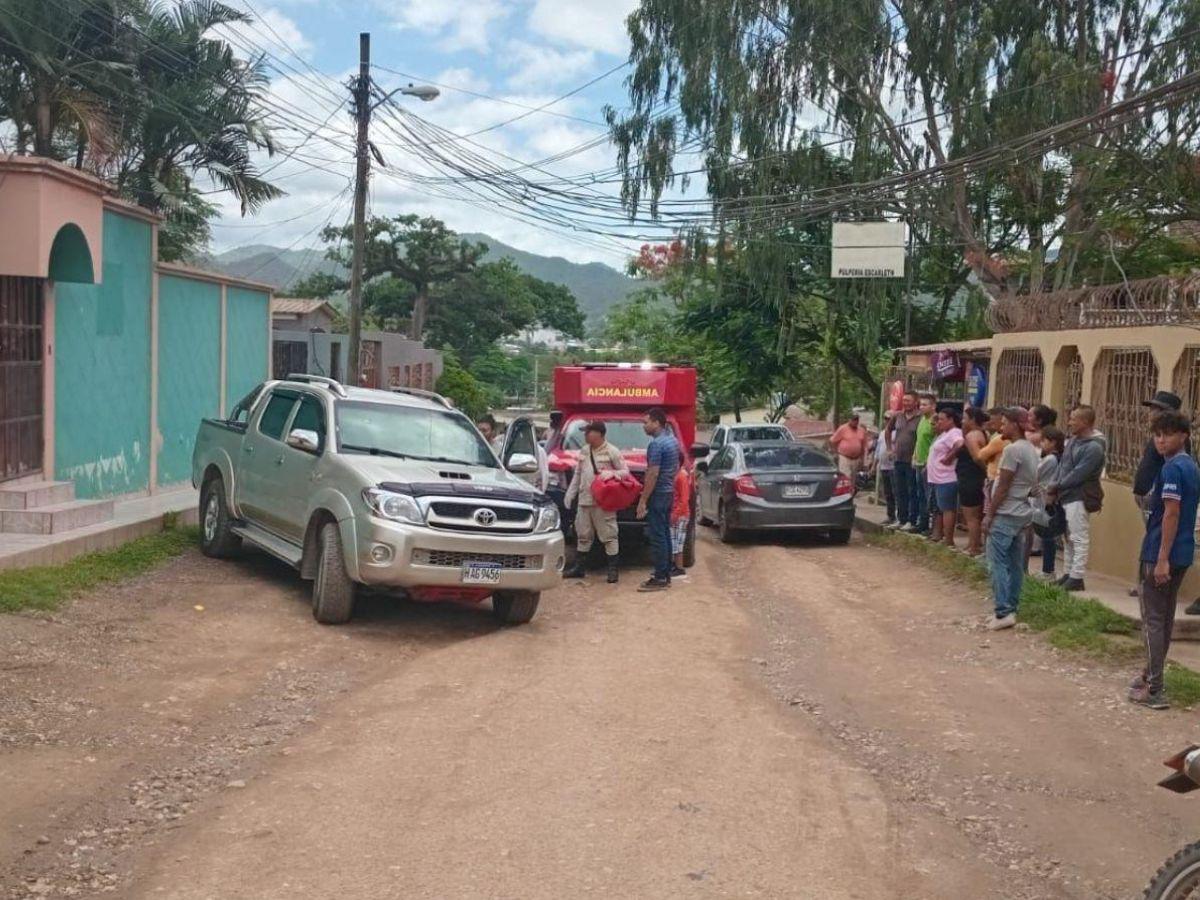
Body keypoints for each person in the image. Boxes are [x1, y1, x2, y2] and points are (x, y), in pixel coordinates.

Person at [1129, 410, 1200, 710]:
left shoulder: (1172, 469)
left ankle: (1155, 688)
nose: (1161, 440)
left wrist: (1161, 559)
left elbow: (1171, 513)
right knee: (1165, 618)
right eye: (1157, 435)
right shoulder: (1191, 466)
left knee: (1152, 621)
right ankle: (1149, 674)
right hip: (1182, 552)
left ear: (1183, 436)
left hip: (1162, 551)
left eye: (1168, 434)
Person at [983, 408, 1041, 630]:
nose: (1001, 427)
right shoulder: (1030, 449)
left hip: (1006, 513)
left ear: (1015, 425)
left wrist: (990, 514)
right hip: (1021, 513)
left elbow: (1003, 486)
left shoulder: (1012, 450)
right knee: (1015, 564)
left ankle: (1003, 611)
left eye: (1005, 423)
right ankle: (1012, 608)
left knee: (996, 562)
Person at [1129, 392, 1190, 601]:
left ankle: (1154, 580)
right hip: (1147, 496)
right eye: (1152, 408)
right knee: (1151, 537)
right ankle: (1146, 581)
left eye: (1157, 409)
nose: (1152, 413)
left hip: (1161, 497)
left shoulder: (1175, 444)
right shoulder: (1158, 436)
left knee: (1157, 537)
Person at [1045, 405, 1106, 592]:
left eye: (1073, 419)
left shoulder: (1094, 447)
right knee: (1068, 537)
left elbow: (1079, 474)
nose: (1069, 422)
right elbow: (1062, 466)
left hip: (1080, 496)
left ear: (1085, 422)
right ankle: (1068, 573)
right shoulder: (1073, 441)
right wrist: (1053, 486)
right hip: (1065, 496)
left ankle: (1077, 576)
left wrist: (1056, 486)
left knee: (1079, 537)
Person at [563, 421, 628, 583]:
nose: (585, 435)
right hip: (584, 500)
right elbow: (578, 474)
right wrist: (571, 492)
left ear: (599, 433)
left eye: (588, 432)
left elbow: (625, 472)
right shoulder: (585, 450)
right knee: (583, 534)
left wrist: (613, 474)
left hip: (603, 502)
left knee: (609, 535)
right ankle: (579, 568)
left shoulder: (612, 451)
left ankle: (612, 570)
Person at [636, 407, 680, 592]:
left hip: (658, 493)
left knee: (657, 536)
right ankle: (665, 573)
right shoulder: (672, 441)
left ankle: (660, 577)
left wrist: (643, 500)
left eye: (646, 422)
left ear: (656, 422)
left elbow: (653, 473)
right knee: (665, 533)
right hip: (668, 491)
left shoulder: (656, 444)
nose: (644, 426)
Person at [1030, 426, 1066, 581]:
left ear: (1053, 442)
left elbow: (1035, 475)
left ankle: (1048, 571)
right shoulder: (1058, 458)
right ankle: (1048, 570)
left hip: (1045, 499)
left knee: (1047, 536)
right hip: (1048, 499)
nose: (1041, 444)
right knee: (1048, 535)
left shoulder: (1051, 459)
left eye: (1044, 441)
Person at [926, 407, 963, 548]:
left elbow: (960, 444)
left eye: (942, 419)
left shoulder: (954, 432)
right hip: (938, 478)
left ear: (951, 420)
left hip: (946, 477)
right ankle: (941, 535)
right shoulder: (944, 434)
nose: (939, 422)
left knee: (947, 509)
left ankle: (949, 540)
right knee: (940, 508)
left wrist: (949, 457)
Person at [886, 392, 921, 531]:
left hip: (912, 460)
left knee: (912, 491)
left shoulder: (921, 418)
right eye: (904, 400)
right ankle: (901, 518)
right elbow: (888, 430)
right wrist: (889, 448)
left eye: (909, 401)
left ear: (916, 402)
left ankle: (912, 520)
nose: (906, 403)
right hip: (898, 459)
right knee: (899, 491)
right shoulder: (897, 416)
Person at [956, 407, 989, 556]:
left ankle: (974, 547)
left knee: (971, 516)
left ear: (973, 420)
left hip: (970, 478)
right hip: (976, 477)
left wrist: (987, 471)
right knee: (975, 515)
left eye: (965, 418)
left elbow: (977, 457)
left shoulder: (971, 436)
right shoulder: (983, 433)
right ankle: (973, 543)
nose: (962, 421)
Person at [913, 393, 937, 534]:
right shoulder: (922, 419)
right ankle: (922, 523)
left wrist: (929, 462)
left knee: (930, 496)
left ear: (933, 406)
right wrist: (914, 456)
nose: (921, 407)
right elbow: (919, 440)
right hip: (919, 461)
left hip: (929, 464)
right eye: (920, 404)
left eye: (924, 405)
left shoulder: (935, 421)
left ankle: (932, 526)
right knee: (920, 494)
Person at [670, 449, 692, 580]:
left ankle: (679, 567)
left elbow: (684, 499)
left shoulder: (681, 477)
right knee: (674, 541)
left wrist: (675, 514)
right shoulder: (676, 475)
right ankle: (675, 566)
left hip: (681, 515)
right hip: (677, 513)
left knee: (678, 542)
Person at [829, 413, 870, 483]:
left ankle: (851, 490)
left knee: (853, 479)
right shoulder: (843, 428)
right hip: (844, 457)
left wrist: (863, 460)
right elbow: (832, 440)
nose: (855, 421)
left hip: (856, 459)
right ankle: (845, 489)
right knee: (846, 477)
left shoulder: (861, 431)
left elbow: (865, 446)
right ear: (849, 420)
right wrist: (835, 452)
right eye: (853, 419)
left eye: (857, 419)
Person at [876, 412, 897, 524]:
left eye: (889, 418)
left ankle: (899, 516)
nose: (887, 421)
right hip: (884, 466)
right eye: (886, 418)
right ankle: (890, 516)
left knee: (895, 492)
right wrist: (874, 465)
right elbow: (878, 449)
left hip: (894, 466)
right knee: (888, 493)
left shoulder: (897, 432)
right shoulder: (882, 433)